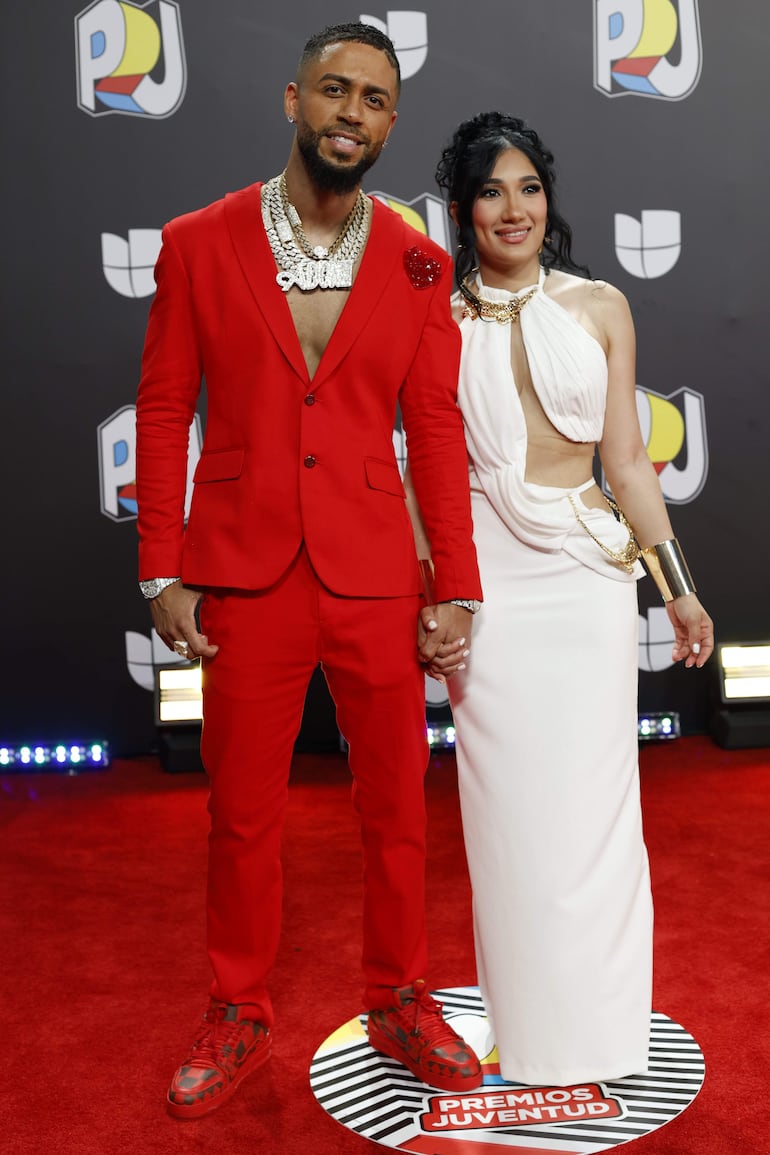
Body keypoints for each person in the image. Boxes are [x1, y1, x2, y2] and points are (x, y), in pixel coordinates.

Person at [135, 23, 484, 1120]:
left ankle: (398, 999)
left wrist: (453, 583)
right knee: (242, 813)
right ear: (292, 100)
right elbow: (160, 408)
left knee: (396, 809)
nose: (350, 113)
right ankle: (236, 1007)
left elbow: (429, 424)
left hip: (377, 569)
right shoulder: (200, 240)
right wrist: (161, 568)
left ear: (390, 121)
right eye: (332, 91)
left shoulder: (420, 258)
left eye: (372, 99)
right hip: (244, 570)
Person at [406, 111, 714, 1086]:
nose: (513, 208)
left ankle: (600, 1034)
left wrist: (677, 590)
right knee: (506, 821)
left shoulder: (599, 308)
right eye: (491, 191)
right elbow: (422, 471)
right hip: (485, 587)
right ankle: (532, 1035)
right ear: (461, 209)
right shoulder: (431, 318)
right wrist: (437, 595)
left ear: (548, 198)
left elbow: (624, 459)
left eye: (528, 187)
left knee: (594, 812)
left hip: (585, 579)